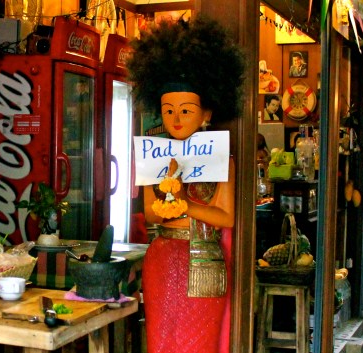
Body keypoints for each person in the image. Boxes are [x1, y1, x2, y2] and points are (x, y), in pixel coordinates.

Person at [127, 16, 244, 353]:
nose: (176, 119)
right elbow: (151, 214)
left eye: (186, 110)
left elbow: (226, 217)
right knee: (160, 341)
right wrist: (167, 205)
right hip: (162, 257)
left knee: (198, 343)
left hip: (204, 259)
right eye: (168, 111)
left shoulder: (221, 159)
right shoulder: (155, 153)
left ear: (206, 113)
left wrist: (186, 204)